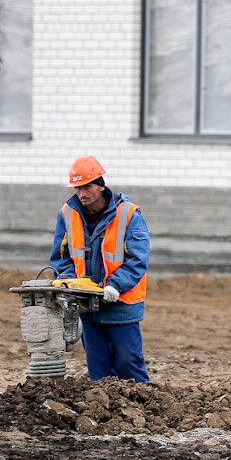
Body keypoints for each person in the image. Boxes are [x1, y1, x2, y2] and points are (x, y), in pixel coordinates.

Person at [50, 155, 151, 382]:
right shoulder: (68, 213)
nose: (82, 193)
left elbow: (138, 258)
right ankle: (104, 412)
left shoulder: (128, 214)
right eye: (78, 187)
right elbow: (61, 256)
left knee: (128, 364)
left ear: (100, 185)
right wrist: (71, 284)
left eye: (87, 186)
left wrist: (116, 284)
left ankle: (143, 407)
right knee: (98, 368)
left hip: (122, 304)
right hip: (89, 305)